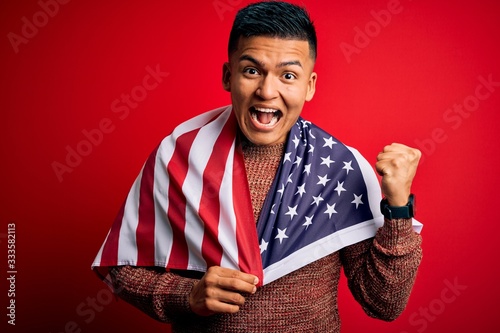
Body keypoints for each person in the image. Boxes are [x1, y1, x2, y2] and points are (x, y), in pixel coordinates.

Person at [92, 1, 423, 332]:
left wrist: (398, 207)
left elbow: (384, 304)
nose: (267, 91)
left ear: (309, 85)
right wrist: (187, 295)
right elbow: (120, 271)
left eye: (288, 75)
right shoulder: (180, 155)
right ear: (228, 75)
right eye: (252, 70)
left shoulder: (339, 168)